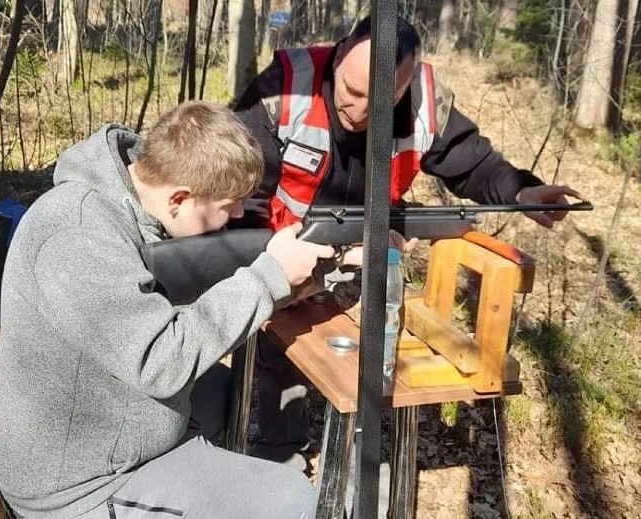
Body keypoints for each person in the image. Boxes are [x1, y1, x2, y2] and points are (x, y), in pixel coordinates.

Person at [231, 15, 586, 470]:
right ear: (339, 56)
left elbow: (473, 164)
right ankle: (276, 448)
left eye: (380, 101)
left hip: (368, 250)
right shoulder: (287, 85)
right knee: (280, 343)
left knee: (370, 347)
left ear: (406, 84)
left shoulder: (425, 102)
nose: (359, 112)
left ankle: (364, 458)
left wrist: (523, 191)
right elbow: (238, 177)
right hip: (280, 242)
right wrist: (268, 259)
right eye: (353, 92)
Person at [0, 101, 336, 519]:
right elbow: (161, 362)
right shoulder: (79, 236)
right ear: (179, 198)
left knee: (230, 392)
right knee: (294, 499)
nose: (240, 215)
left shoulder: (125, 202)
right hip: (79, 484)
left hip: (102, 427)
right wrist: (266, 279)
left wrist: (314, 271)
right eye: (229, 205)